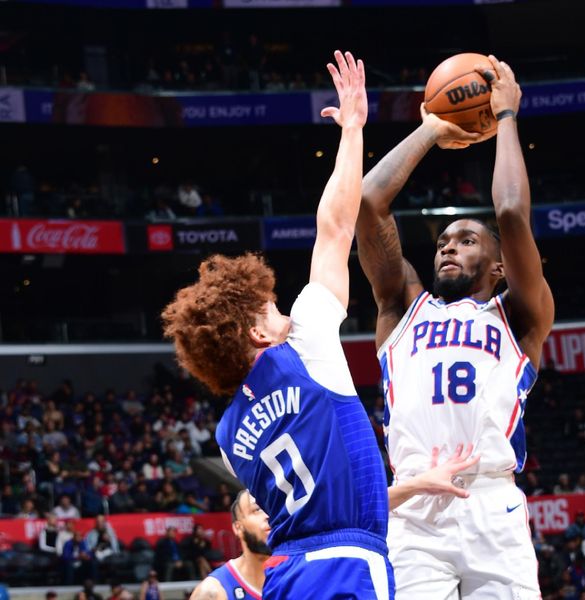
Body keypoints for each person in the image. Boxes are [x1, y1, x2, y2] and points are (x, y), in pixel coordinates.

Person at [163, 51, 397, 600]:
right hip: (347, 562)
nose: (284, 310)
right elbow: (336, 228)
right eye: (269, 307)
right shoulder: (307, 344)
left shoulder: (226, 438)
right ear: (256, 334)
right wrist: (354, 130)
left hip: (286, 575)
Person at [355, 55, 554, 599]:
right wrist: (430, 129)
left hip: (491, 501)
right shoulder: (402, 307)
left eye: (466, 240)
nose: (448, 246)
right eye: (443, 241)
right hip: (415, 508)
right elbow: (369, 202)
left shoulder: (519, 314)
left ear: (498, 266)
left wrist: (506, 115)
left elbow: (511, 214)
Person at [188, 491, 270, 600]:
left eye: (272, 508)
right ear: (238, 528)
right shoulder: (213, 592)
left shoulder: (297, 576)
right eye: (257, 509)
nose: (268, 516)